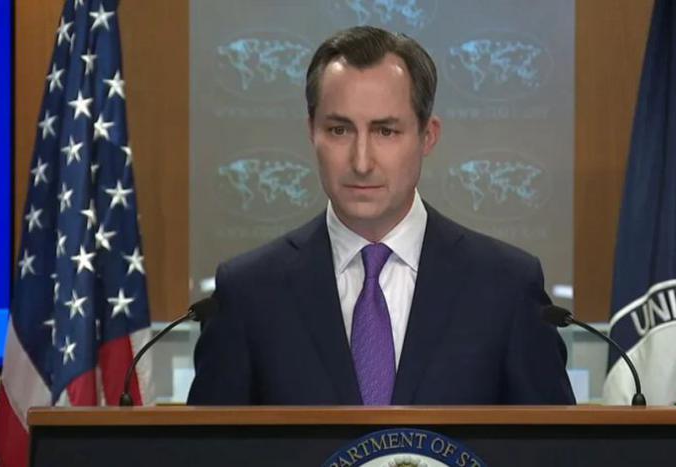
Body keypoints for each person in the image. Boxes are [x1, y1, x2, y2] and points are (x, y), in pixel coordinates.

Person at [188, 26, 574, 405]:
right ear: (311, 132)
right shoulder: (248, 292)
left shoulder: (506, 287)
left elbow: (553, 441)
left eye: (385, 132)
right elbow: (207, 442)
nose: (361, 162)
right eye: (339, 130)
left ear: (428, 135)